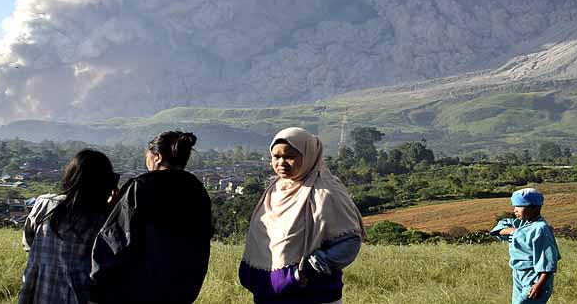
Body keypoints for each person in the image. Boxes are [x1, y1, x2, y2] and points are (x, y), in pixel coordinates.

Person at [239, 127, 366, 304]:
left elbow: (350, 241)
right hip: (269, 294)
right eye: (276, 157)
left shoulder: (326, 192)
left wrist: (304, 272)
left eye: (290, 156)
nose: (281, 162)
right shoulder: (276, 189)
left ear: (308, 156)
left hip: (312, 295)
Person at [90, 131, 211, 304]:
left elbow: (114, 242)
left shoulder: (141, 187)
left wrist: (95, 290)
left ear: (157, 157)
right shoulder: (197, 190)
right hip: (183, 289)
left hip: (137, 290)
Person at [19, 149, 118, 304]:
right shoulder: (103, 219)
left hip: (38, 290)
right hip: (78, 295)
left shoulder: (46, 204)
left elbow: (28, 243)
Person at [490, 187, 561, 304]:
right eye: (514, 207)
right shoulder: (522, 224)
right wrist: (515, 232)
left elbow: (548, 262)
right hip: (518, 274)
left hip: (534, 277)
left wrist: (539, 285)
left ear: (534, 208)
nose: (515, 210)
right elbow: (498, 230)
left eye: (519, 207)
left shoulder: (540, 229)